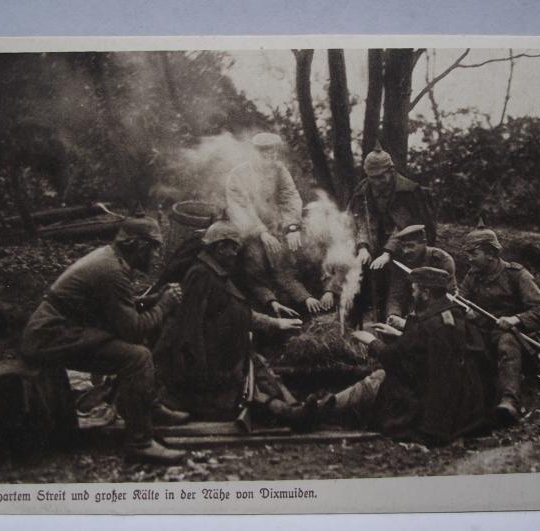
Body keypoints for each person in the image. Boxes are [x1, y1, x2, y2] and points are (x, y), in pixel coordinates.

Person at [21, 216, 190, 463]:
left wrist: (153, 300)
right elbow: (133, 329)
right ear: (139, 246)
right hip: (49, 337)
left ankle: (148, 408)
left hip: (64, 330)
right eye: (153, 250)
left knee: (136, 350)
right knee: (137, 356)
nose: (155, 258)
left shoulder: (111, 260)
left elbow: (120, 307)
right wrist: (164, 306)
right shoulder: (110, 271)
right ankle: (140, 443)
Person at [153, 221, 319, 428]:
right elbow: (190, 328)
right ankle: (290, 413)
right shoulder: (201, 275)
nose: (235, 253)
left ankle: (296, 408)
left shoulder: (217, 275)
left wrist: (276, 323)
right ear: (220, 247)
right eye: (233, 247)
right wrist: (202, 372)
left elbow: (236, 313)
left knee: (260, 371)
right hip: (210, 364)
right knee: (247, 388)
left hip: (228, 352)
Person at [323, 267, 487, 444]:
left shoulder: (437, 325)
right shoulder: (449, 315)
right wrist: (399, 333)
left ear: (426, 293)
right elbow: (422, 345)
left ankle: (320, 410)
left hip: (438, 408)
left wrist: (371, 341)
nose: (412, 294)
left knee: (377, 380)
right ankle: (323, 407)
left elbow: (398, 359)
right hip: (459, 402)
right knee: (376, 380)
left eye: (414, 290)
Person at [459, 227, 540, 422]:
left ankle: (509, 401)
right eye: (467, 254)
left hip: (522, 339)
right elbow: (460, 301)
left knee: (507, 341)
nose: (469, 259)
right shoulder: (472, 276)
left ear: (491, 253)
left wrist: (515, 320)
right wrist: (465, 312)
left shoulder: (516, 275)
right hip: (485, 336)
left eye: (473, 254)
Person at [226, 132, 323, 316]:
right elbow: (240, 208)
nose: (269, 158)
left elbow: (290, 197)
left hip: (274, 225)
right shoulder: (238, 174)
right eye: (264, 154)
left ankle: (298, 302)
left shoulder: (279, 170)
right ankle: (261, 308)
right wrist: (261, 232)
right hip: (245, 229)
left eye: (272, 154)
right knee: (254, 258)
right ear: (254, 153)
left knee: (293, 253)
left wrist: (292, 227)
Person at [347, 144, 436, 321]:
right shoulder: (362, 191)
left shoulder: (408, 191)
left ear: (391, 171)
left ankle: (400, 320)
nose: (376, 182)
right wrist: (363, 246)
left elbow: (406, 226)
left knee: (400, 282)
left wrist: (388, 252)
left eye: (380, 177)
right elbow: (361, 221)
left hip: (407, 243)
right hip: (375, 241)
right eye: (371, 178)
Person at [383, 224, 456, 330]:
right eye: (403, 246)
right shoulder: (402, 261)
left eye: (410, 246)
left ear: (424, 243)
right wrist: (394, 315)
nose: (405, 251)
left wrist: (413, 323)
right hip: (412, 308)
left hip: (439, 315)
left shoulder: (442, 260)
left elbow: (447, 296)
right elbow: (395, 294)